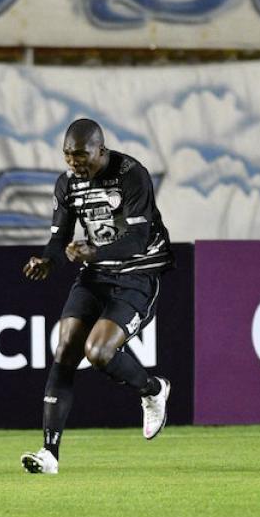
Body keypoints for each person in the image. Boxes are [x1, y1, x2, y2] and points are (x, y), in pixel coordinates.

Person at [19, 118, 174, 474]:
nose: (74, 163)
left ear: (100, 150)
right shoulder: (67, 184)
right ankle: (49, 454)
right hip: (96, 274)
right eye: (68, 155)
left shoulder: (132, 175)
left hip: (139, 272)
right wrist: (46, 259)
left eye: (81, 155)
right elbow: (59, 239)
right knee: (66, 347)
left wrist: (92, 252)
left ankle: (152, 390)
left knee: (100, 351)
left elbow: (136, 240)